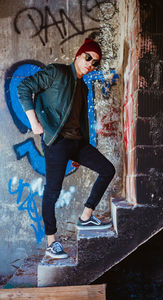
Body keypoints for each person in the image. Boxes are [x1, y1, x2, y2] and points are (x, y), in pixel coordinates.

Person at [17, 39, 115, 259]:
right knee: (52, 191)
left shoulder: (83, 86)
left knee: (107, 169)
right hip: (57, 141)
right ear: (78, 56)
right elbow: (24, 87)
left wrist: (84, 147)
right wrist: (34, 123)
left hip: (77, 143)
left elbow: (82, 120)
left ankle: (86, 216)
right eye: (88, 57)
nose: (91, 63)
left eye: (95, 62)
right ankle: (52, 243)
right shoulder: (57, 72)